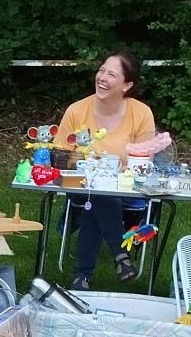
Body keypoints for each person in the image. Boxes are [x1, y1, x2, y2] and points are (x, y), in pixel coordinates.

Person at [53, 52, 155, 291]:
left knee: (96, 198)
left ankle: (82, 276)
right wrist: (81, 163)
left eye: (112, 74)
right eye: (101, 70)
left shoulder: (141, 113)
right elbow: (59, 156)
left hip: (124, 187)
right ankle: (120, 255)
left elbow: (144, 161)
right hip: (80, 185)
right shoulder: (77, 110)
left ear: (127, 85)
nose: (102, 78)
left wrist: (114, 174)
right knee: (94, 192)